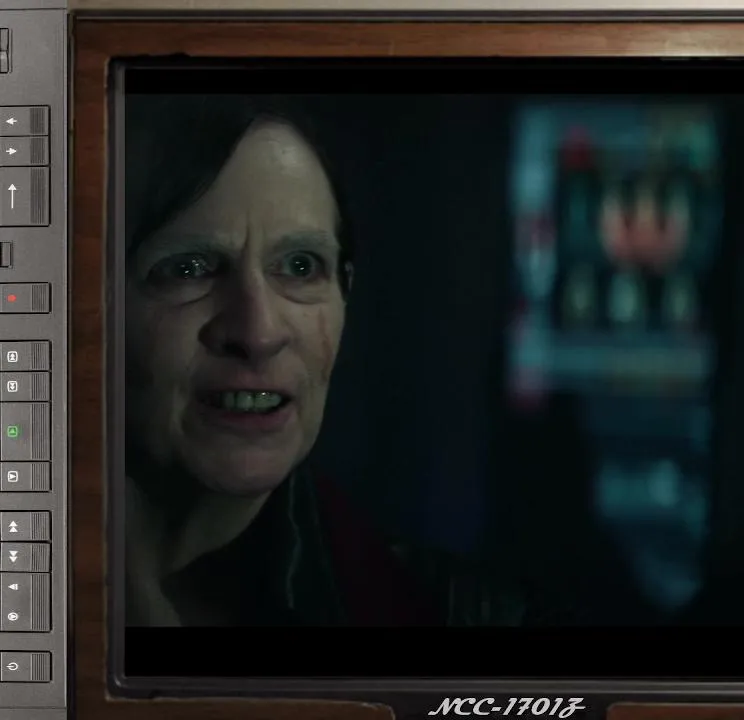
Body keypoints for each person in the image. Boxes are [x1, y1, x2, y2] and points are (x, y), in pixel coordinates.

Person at [121, 97, 540, 627]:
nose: (259, 332)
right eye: (188, 269)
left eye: (300, 266)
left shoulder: (463, 619)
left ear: (345, 295)